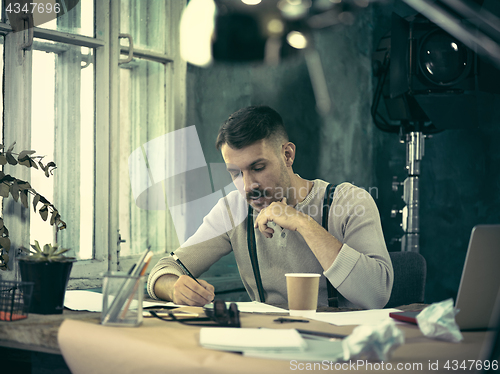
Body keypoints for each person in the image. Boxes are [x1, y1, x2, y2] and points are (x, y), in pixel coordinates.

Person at [147, 106, 393, 309]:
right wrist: (173, 288)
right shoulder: (233, 210)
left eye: (258, 167)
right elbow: (164, 269)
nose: (247, 186)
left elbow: (377, 294)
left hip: (342, 352)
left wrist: (303, 223)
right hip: (267, 347)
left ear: (287, 155)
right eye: (235, 173)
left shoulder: (350, 202)